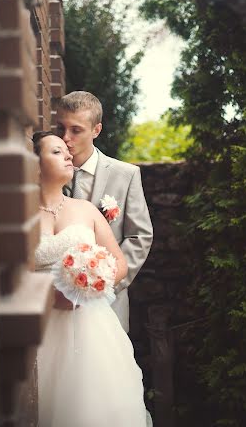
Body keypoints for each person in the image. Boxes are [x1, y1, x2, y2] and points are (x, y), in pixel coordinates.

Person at [34, 131, 148, 427]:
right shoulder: (20, 216)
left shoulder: (85, 210)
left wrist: (92, 284)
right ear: (35, 165)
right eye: (57, 152)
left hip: (89, 324)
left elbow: (119, 264)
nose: (69, 155)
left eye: (66, 151)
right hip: (38, 324)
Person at [54, 91, 153, 333]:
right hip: (56, 305)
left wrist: (104, 282)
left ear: (96, 130)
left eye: (76, 130)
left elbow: (139, 236)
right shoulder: (45, 174)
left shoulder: (126, 175)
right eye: (61, 128)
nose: (66, 138)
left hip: (108, 303)